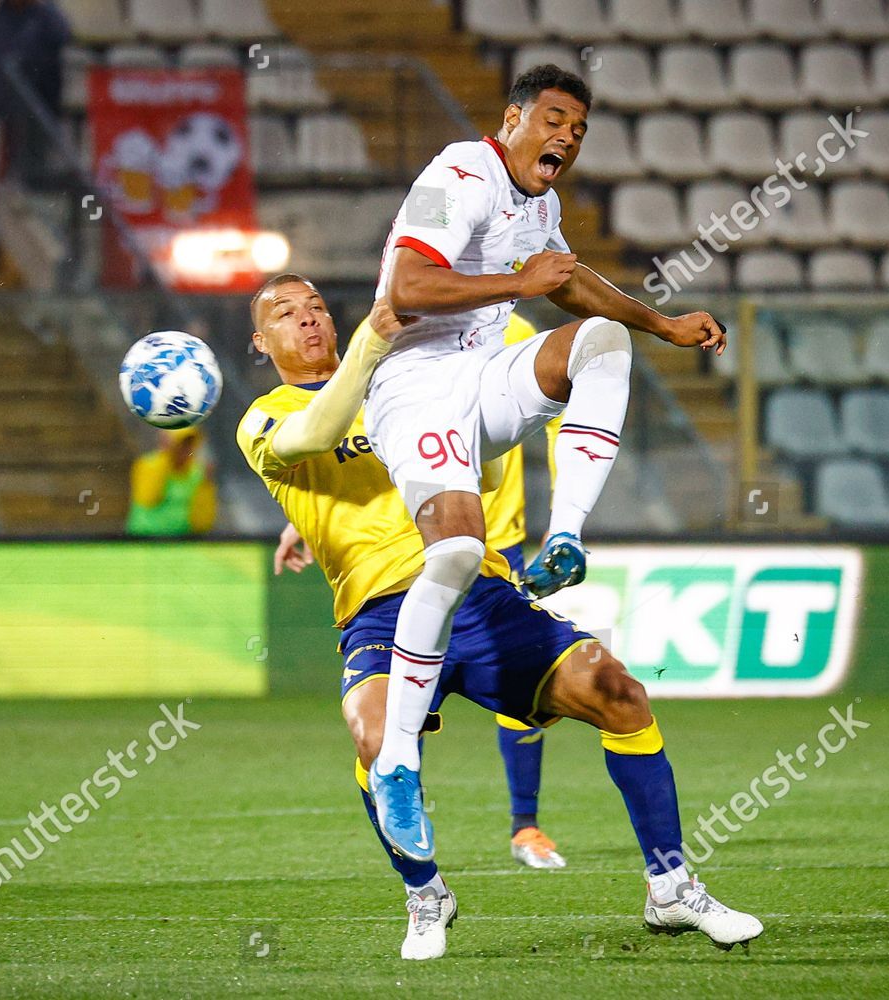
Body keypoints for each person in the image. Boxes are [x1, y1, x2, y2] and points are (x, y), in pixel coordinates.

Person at [237, 273, 761, 961]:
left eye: (315, 308)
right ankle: (425, 893)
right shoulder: (264, 417)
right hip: (380, 614)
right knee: (373, 737)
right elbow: (320, 432)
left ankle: (670, 886)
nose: (306, 319)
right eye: (284, 313)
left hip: (480, 596)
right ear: (260, 341)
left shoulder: (414, 380)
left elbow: (474, 453)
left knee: (621, 695)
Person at [365, 64, 727, 864]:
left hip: (479, 381)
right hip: (412, 390)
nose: (567, 136)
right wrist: (517, 281)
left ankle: (563, 539)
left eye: (580, 130)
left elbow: (568, 283)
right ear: (513, 119)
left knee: (603, 342)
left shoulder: (542, 202)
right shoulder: (460, 171)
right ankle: (396, 761)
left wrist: (661, 324)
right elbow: (408, 283)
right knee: (458, 552)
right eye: (555, 119)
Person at [274, 311, 568, 871]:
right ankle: (413, 838)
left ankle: (525, 825)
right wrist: (305, 519)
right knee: (403, 699)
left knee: (525, 692)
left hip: (494, 538)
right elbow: (386, 434)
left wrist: (564, 518)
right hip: (426, 535)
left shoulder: (517, 330)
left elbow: (555, 419)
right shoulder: (410, 326)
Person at [0, 0, 72, 189]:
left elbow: (64, 36)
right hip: (4, 105)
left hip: (39, 105)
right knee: (4, 169)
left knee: (34, 168)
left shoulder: (45, 13)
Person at [126, 427, 217, 537]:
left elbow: (203, 521)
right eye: (180, 444)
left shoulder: (197, 474)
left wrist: (206, 484)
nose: (185, 449)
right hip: (145, 539)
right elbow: (148, 498)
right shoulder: (149, 464)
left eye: (189, 444)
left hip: (182, 541)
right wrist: (165, 456)